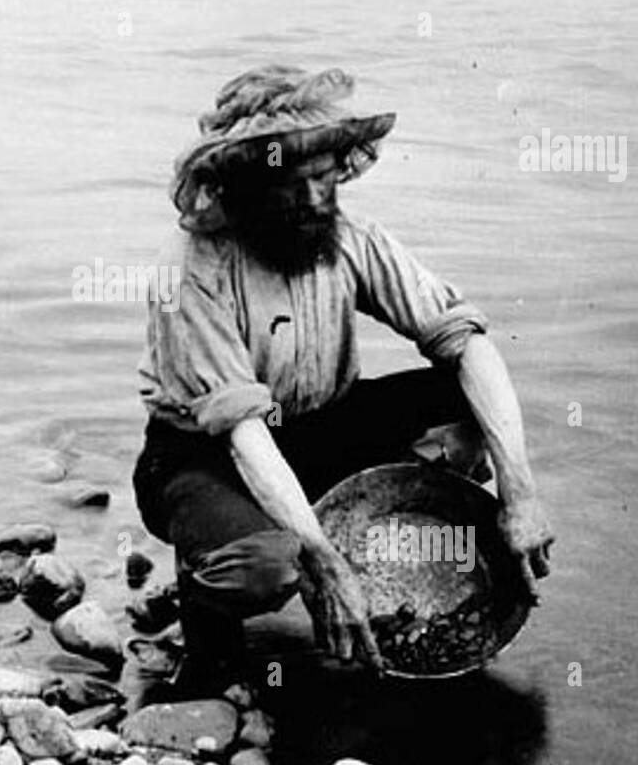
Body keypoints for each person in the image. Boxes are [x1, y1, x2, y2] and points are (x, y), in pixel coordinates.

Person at [132, 65, 554, 690]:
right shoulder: (193, 270)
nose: (309, 202)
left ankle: (374, 547)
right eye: (288, 187)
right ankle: (207, 607)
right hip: (205, 454)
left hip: (321, 426)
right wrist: (321, 562)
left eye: (322, 180)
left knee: (464, 396)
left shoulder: (347, 238)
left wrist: (520, 495)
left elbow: (467, 343)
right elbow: (245, 432)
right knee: (271, 569)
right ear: (244, 187)